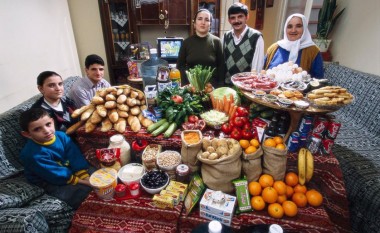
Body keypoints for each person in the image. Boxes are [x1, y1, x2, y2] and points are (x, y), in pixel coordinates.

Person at [19, 108, 94, 209]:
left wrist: (85, 175)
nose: (46, 131)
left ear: (52, 121)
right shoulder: (32, 155)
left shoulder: (61, 136)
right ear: (27, 134)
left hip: (67, 168)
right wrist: (85, 182)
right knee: (81, 193)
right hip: (49, 179)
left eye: (48, 124)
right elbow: (54, 174)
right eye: (37, 129)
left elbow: (74, 155)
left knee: (98, 174)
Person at [264, 13, 324, 78]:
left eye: (298, 26)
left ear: (304, 29)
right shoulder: (274, 48)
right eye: (289, 26)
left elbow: (318, 80)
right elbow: (262, 73)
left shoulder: (313, 51)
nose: (293, 30)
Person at [177, 9, 224, 87]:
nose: (203, 22)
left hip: (211, 88)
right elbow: (180, 66)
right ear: (194, 23)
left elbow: (221, 67)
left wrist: (220, 87)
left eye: (207, 20)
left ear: (210, 24)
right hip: (191, 88)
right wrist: (185, 85)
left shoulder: (217, 42)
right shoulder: (186, 43)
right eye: (200, 19)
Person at [223, 2, 264, 84]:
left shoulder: (256, 37)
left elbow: (257, 68)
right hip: (227, 85)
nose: (236, 21)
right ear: (229, 20)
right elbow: (222, 62)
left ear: (247, 17)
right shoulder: (225, 36)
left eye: (240, 16)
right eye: (233, 18)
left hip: (245, 88)